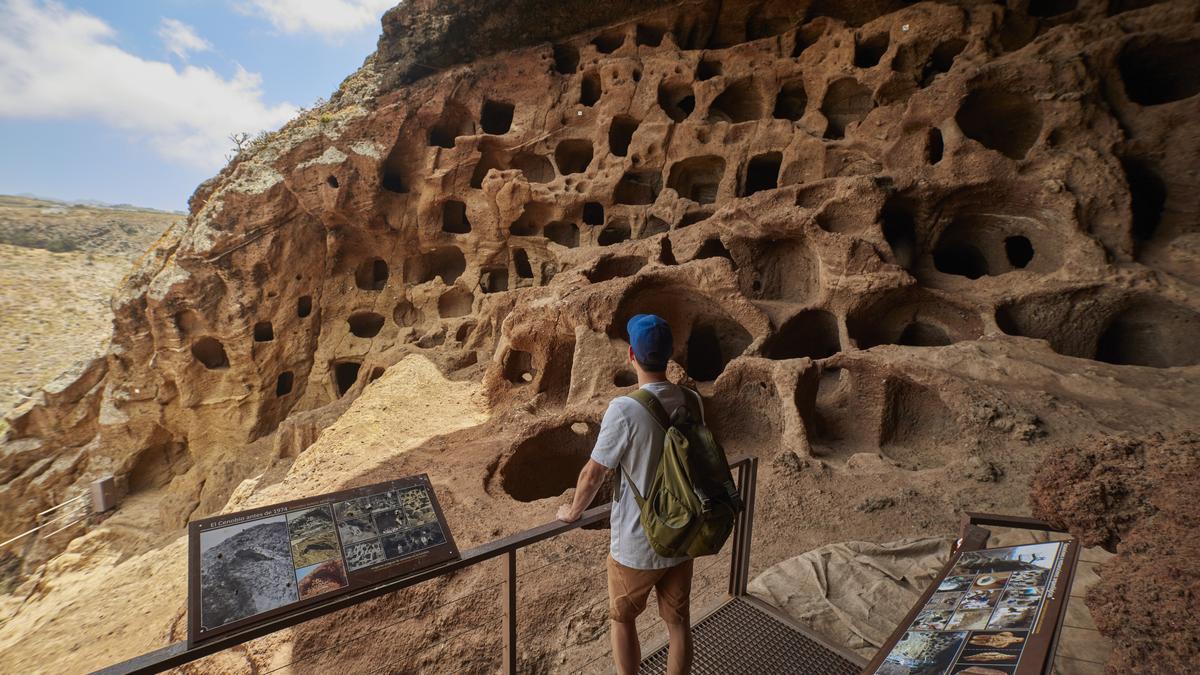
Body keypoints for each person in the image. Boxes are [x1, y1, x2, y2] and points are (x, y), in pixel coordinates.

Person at [556, 314, 701, 675]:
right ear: (669, 356)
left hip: (637, 541)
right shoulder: (692, 401)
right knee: (678, 622)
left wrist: (574, 511)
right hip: (683, 532)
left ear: (631, 356)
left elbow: (593, 473)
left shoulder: (624, 409)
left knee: (622, 619)